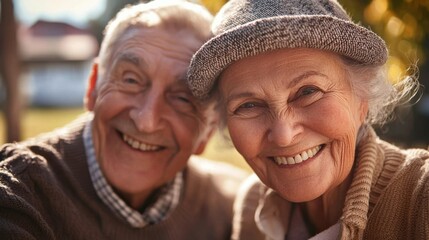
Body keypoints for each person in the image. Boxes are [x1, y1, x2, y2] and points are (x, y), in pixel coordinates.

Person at [0, 1, 248, 239]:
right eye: (131, 80)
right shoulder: (18, 193)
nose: (146, 121)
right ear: (93, 87)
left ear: (206, 133)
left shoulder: (238, 208)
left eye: (183, 98)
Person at [187, 0, 429, 239]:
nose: (284, 136)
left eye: (308, 92)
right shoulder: (254, 205)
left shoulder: (422, 199)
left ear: (361, 99)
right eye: (248, 105)